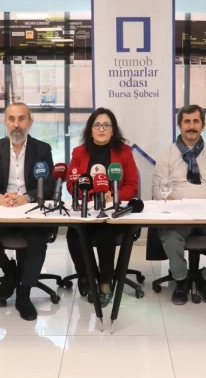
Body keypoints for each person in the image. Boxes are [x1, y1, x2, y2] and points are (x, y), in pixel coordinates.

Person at [152, 105, 206, 306]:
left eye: (195, 121)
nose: (191, 126)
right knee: (170, 237)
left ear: (203, 125)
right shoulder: (167, 154)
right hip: (178, 215)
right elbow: (158, 190)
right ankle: (181, 279)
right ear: (179, 125)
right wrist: (173, 205)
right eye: (187, 121)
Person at [0, 102, 54, 321]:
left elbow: (48, 184)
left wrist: (26, 197)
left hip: (30, 210)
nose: (16, 124)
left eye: (21, 119)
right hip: (3, 209)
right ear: (5, 122)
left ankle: (24, 294)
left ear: (30, 122)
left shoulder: (42, 149)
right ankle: (9, 270)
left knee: (38, 237)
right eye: (11, 119)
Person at [66, 107, 138, 307]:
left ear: (113, 130)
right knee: (74, 234)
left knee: (106, 232)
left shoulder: (124, 152)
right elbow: (71, 184)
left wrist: (112, 196)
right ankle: (86, 277)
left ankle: (105, 283)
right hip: (87, 209)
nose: (101, 129)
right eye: (97, 125)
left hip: (112, 211)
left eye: (106, 125)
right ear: (90, 129)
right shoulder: (79, 152)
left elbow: (132, 185)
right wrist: (94, 194)